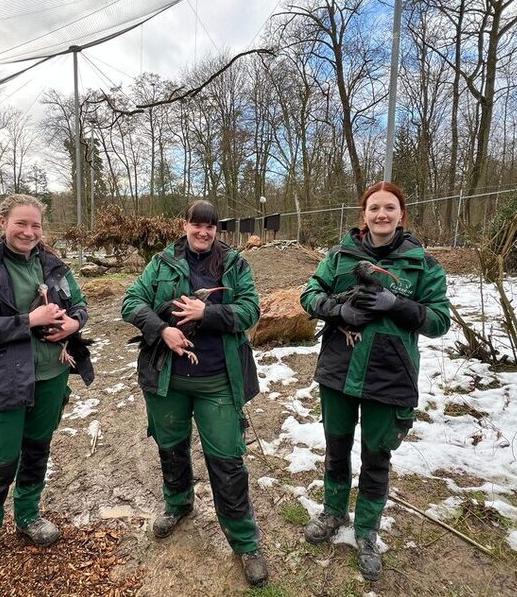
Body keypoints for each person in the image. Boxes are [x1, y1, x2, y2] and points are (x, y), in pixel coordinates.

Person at [299, 182, 450, 581]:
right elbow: (309, 294)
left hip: (390, 374)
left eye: (389, 208)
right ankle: (333, 513)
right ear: (363, 213)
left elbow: (439, 321)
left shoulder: (423, 264)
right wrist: (338, 310)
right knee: (336, 446)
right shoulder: (340, 256)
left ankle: (366, 530)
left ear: (401, 213)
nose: (381, 215)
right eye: (374, 208)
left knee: (377, 456)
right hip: (338, 369)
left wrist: (397, 304)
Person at [121, 200, 268, 587]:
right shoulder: (162, 263)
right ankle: (178, 504)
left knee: (227, 459)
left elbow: (251, 310)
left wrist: (208, 314)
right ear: (184, 225)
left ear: (217, 230)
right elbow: (130, 302)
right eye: (196, 225)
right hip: (167, 378)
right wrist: (161, 329)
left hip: (217, 380)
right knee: (171, 446)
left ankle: (244, 541)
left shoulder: (233, 264)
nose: (203, 232)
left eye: (210, 226)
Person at [0, 194, 94, 585]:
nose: (29, 232)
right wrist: (28, 320)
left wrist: (73, 325)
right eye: (21, 224)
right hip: (1, 383)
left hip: (50, 378)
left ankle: (28, 515)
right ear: (3, 223)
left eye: (35, 225)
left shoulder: (54, 267)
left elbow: (79, 305)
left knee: (36, 451)